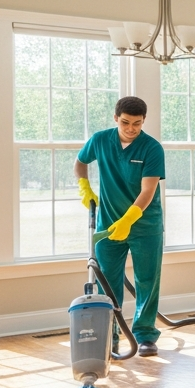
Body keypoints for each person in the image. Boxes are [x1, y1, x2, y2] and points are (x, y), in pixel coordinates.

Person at [74, 96, 165, 357]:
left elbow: (148, 191)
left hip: (145, 225)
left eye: (137, 123)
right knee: (108, 284)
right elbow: (80, 162)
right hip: (108, 225)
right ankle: (110, 336)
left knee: (147, 280)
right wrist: (85, 187)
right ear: (116, 118)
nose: (131, 128)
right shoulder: (101, 140)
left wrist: (127, 220)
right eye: (125, 122)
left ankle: (145, 334)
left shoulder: (152, 148)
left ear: (143, 121)